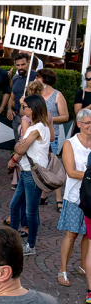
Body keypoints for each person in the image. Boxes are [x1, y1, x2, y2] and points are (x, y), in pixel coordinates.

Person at [8, 95, 51, 256]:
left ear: (32, 109)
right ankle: (12, 241)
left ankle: (31, 245)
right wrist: (20, 145)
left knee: (31, 212)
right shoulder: (41, 127)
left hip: (32, 174)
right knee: (15, 206)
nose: (23, 109)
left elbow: (19, 149)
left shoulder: (36, 128)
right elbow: (21, 147)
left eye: (25, 106)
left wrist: (19, 144)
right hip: (27, 172)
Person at [58, 110, 91, 290]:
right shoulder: (70, 144)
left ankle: (83, 265)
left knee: (88, 234)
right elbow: (71, 172)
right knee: (71, 233)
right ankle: (62, 269)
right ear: (78, 124)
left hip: (90, 196)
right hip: (74, 196)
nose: (89, 126)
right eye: (86, 123)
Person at [37, 68, 70, 208]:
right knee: (41, 167)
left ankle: (58, 199)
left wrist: (48, 119)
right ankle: (42, 196)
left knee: (52, 166)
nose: (34, 80)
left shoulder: (57, 95)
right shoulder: (35, 94)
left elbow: (65, 116)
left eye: (37, 77)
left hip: (52, 136)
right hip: (37, 137)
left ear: (44, 79)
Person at [7, 53, 37, 143]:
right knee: (19, 144)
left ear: (28, 63)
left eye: (23, 64)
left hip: (32, 118)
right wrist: (9, 109)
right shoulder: (15, 78)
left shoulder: (36, 77)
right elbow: (12, 97)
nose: (20, 67)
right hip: (17, 118)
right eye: (18, 65)